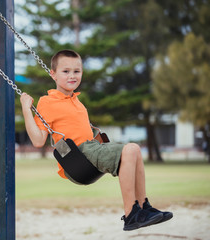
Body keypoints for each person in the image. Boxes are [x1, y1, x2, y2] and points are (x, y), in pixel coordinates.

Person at [20, 49, 173, 231]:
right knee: (130, 149)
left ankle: (143, 206)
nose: (72, 76)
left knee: (135, 150)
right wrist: (26, 109)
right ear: (53, 74)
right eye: (66, 71)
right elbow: (38, 141)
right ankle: (131, 214)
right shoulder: (47, 102)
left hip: (91, 149)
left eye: (77, 71)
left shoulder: (77, 100)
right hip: (77, 157)